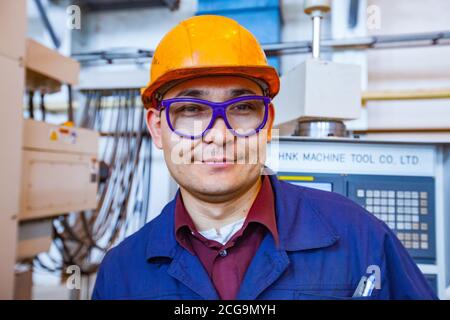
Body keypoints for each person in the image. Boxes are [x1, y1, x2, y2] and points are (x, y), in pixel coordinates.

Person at [92, 15, 437, 300]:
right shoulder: (123, 273)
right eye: (191, 109)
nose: (219, 134)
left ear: (268, 123)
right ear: (156, 128)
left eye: (242, 108)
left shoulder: (359, 237)